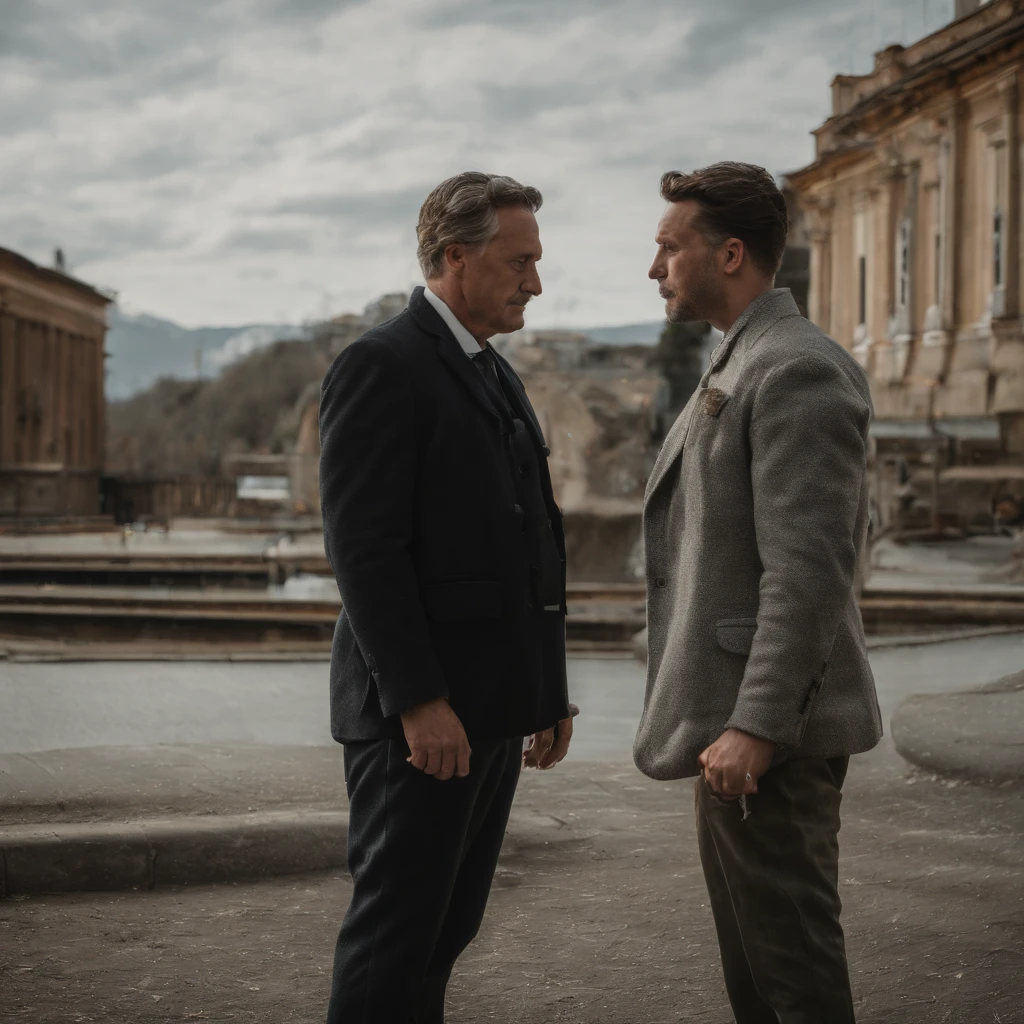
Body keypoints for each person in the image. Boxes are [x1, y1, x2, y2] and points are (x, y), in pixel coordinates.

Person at [319, 171, 576, 1023]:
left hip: (492, 712)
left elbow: (532, 540)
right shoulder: (381, 364)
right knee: (395, 936)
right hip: (421, 721)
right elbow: (365, 551)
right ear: (455, 257)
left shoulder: (493, 373)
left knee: (445, 933)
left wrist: (546, 691)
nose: (535, 281)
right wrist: (420, 701)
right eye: (520, 261)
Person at [634, 161, 883, 1023]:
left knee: (793, 978)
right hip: (733, 730)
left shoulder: (796, 370)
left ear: (730, 252)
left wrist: (757, 726)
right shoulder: (743, 359)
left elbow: (809, 575)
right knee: (758, 983)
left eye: (669, 247)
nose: (655, 266)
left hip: (768, 736)